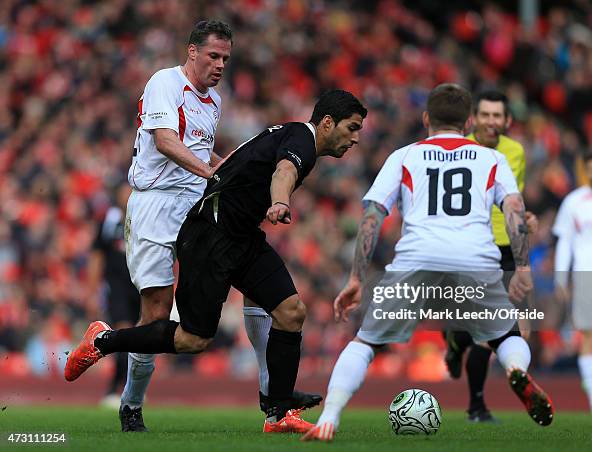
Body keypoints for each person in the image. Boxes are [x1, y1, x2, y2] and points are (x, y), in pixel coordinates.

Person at [64, 89, 368, 433]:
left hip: (241, 236)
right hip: (210, 236)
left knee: (291, 311)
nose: (355, 138)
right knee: (193, 340)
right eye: (352, 127)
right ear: (327, 123)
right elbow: (284, 170)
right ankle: (103, 341)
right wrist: (280, 202)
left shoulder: (292, 135)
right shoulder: (301, 139)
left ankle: (279, 412)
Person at [302, 84, 553, 442]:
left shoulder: (405, 156)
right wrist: (523, 268)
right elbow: (514, 210)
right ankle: (516, 369)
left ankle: (328, 418)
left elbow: (374, 215)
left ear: (425, 119)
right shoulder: (491, 159)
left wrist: (356, 277)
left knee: (365, 343)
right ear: (468, 122)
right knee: (506, 335)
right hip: (475, 258)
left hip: (416, 257)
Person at [112, 19, 318, 432]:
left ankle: (271, 394)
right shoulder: (164, 83)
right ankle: (131, 404)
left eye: (225, 57)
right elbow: (166, 142)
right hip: (154, 206)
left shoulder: (215, 101)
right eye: (213, 55)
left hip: (197, 208)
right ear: (192, 52)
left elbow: (208, 156)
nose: (220, 64)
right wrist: (210, 172)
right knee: (155, 313)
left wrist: (229, 172)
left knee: (257, 284)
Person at [443, 90, 536, 422]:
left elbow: (513, 200)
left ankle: (456, 342)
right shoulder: (456, 151)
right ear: (473, 119)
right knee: (486, 332)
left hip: (509, 249)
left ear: (507, 120)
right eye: (486, 115)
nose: (492, 121)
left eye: (498, 116)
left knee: (519, 330)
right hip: (473, 249)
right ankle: (476, 406)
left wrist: (526, 218)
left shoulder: (516, 153)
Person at [553, 151, 592, 417]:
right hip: (586, 274)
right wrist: (560, 276)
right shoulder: (574, 201)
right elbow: (565, 240)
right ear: (586, 171)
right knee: (591, 335)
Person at [87, 183, 140, 409]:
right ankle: (115, 389)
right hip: (116, 287)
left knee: (136, 338)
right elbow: (97, 256)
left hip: (140, 287)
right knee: (124, 333)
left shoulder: (143, 217)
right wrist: (92, 291)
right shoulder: (109, 221)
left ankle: (129, 390)